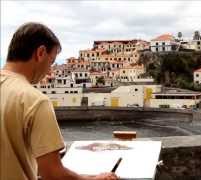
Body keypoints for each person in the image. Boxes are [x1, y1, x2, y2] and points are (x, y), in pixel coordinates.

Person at [0, 22, 118, 180]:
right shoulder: (34, 100)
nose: (50, 70)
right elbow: (52, 174)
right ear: (40, 52)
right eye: (51, 62)